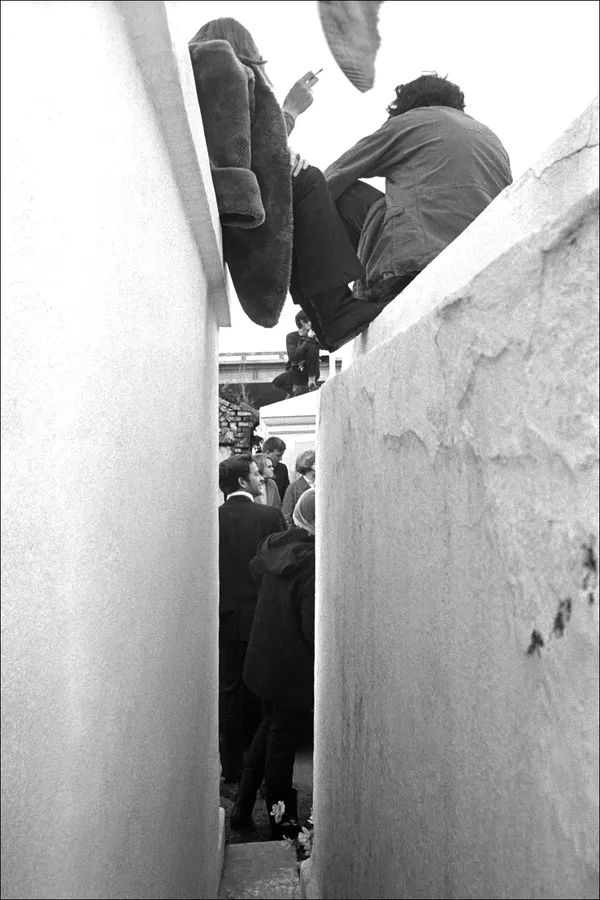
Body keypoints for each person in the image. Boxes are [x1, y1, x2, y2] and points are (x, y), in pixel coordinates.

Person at [235, 488, 316, 838]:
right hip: (290, 668)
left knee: (267, 730)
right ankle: (281, 821)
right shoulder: (310, 562)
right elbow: (313, 627)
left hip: (263, 660)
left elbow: (257, 577)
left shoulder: (273, 546)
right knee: (281, 743)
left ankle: (243, 803)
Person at [218, 454, 286, 783]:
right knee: (265, 694)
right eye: (257, 474)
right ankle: (259, 772)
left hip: (227, 618)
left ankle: (231, 767)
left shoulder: (213, 520)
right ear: (244, 482)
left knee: (229, 692)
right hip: (263, 617)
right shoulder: (270, 516)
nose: (262, 480)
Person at [272, 310, 321, 399]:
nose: (313, 323)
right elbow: (292, 356)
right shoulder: (291, 337)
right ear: (302, 322)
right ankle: (293, 390)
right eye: (310, 320)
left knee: (313, 347)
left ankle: (312, 382)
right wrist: (308, 339)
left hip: (311, 370)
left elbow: (326, 347)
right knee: (277, 382)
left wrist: (318, 338)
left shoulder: (315, 335)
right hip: (297, 371)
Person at [281, 450, 315, 529]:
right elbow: (286, 517)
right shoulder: (293, 488)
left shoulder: (323, 486)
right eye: (315, 463)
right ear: (309, 465)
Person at [263, 436, 290, 501]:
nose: (281, 459)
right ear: (267, 453)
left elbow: (286, 494)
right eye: (278, 455)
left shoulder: (282, 469)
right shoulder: (253, 467)